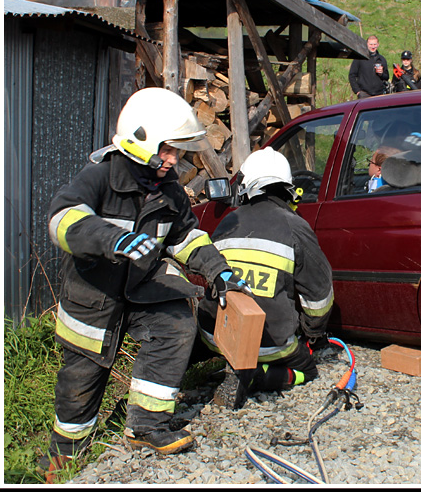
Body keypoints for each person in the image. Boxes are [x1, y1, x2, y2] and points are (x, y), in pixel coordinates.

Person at [42, 87, 249, 480]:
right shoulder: (99, 177)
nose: (174, 160)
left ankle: (146, 426)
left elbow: (186, 238)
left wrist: (218, 271)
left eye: (177, 151)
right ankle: (62, 461)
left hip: (142, 289)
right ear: (141, 138)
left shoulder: (169, 192)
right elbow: (61, 220)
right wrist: (111, 239)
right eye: (167, 150)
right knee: (80, 385)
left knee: (176, 326)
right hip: (93, 301)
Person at [196, 148, 335, 410]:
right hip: (270, 346)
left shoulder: (228, 221)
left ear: (247, 187)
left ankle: (230, 364)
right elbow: (320, 295)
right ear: (288, 189)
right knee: (309, 369)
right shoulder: (296, 227)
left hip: (216, 338)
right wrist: (313, 334)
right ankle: (256, 376)